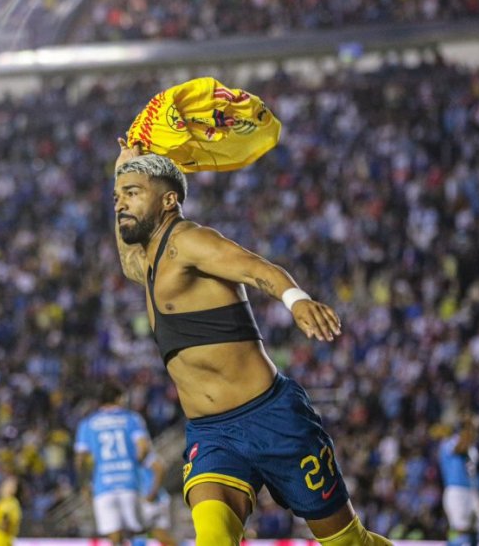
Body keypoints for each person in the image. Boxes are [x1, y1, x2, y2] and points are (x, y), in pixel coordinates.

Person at [112, 142, 391, 546]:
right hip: (211, 434)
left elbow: (254, 266)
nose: (121, 204)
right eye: (118, 197)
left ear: (169, 200)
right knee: (213, 539)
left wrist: (296, 300)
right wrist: (122, 172)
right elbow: (127, 258)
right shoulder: (149, 260)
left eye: (133, 193)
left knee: (348, 542)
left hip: (272, 418)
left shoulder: (188, 240)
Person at [75, 381, 150, 546]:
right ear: (119, 398)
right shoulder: (132, 419)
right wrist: (135, 464)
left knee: (114, 537)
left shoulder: (87, 424)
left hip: (103, 484)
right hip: (129, 481)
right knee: (137, 532)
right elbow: (143, 448)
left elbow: (80, 460)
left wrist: (85, 485)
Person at [438, 418, 479, 545]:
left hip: (472, 489)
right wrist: (467, 429)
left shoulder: (472, 447)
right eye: (469, 429)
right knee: (459, 527)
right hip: (456, 490)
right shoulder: (449, 443)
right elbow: (459, 448)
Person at [138, 451, 177, 546]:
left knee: (160, 535)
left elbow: (160, 468)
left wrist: (153, 493)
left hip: (154, 501)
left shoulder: (142, 452)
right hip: (142, 501)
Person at [0, 476, 22, 546]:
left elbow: (8, 523)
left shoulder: (12, 503)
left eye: (12, 486)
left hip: (5, 539)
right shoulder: (0, 502)